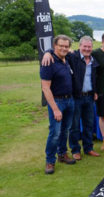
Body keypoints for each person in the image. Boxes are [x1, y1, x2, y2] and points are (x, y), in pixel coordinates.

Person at [41, 36, 101, 160]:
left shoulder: (94, 60)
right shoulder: (72, 56)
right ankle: (75, 150)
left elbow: (93, 77)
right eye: (84, 46)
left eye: (89, 46)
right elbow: (58, 49)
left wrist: (95, 91)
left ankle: (88, 148)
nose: (87, 48)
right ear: (79, 46)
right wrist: (47, 52)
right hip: (76, 97)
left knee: (89, 124)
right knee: (74, 127)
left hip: (89, 97)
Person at [40, 35, 76, 174]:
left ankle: (62, 154)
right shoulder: (48, 62)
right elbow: (45, 88)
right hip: (57, 102)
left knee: (65, 130)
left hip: (70, 100)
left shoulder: (65, 59)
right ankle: (50, 161)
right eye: (61, 45)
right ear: (55, 45)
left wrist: (49, 50)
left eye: (66, 46)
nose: (64, 48)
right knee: (54, 133)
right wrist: (55, 109)